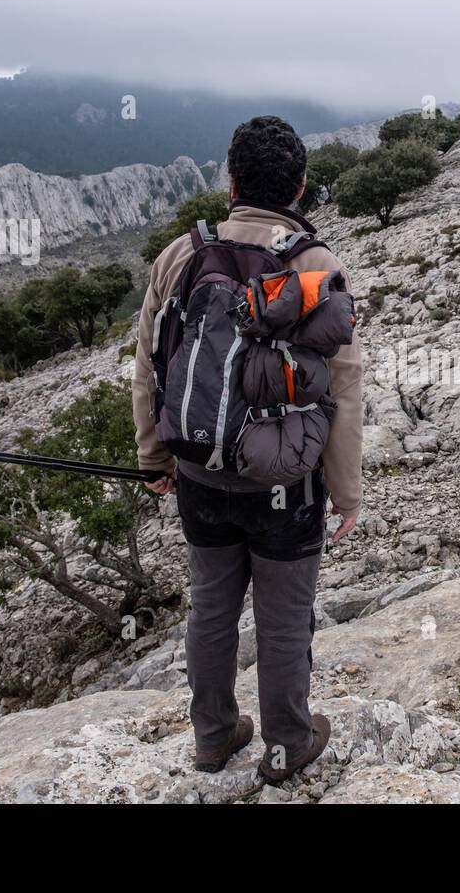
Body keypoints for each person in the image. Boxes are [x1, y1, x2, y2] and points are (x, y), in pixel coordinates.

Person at [131, 116, 362, 782]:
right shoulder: (317, 265)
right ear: (301, 185)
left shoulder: (179, 256)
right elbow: (343, 386)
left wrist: (154, 456)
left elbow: (150, 366)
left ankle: (213, 736)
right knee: (285, 622)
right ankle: (287, 742)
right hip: (284, 483)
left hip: (199, 471)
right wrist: (346, 492)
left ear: (229, 181)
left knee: (211, 610)